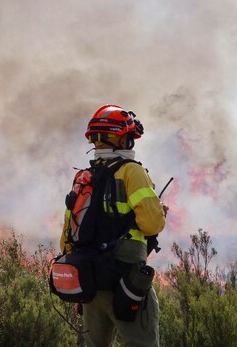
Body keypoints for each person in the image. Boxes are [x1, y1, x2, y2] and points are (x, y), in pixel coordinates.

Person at [59, 104, 167, 347]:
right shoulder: (131, 172)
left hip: (89, 282)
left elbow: (67, 236)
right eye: (130, 137)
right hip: (125, 279)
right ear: (122, 139)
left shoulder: (83, 178)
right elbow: (151, 224)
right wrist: (160, 212)